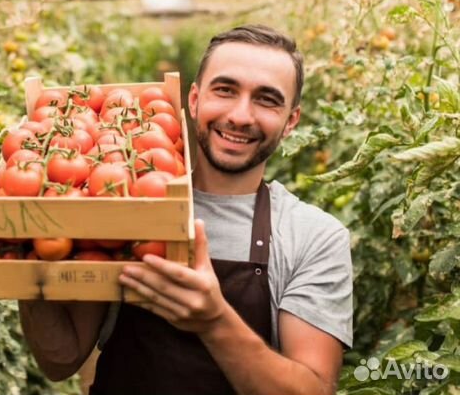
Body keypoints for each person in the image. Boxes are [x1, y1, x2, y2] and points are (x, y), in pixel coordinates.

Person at [19, 24, 353, 395]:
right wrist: (26, 250)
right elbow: (60, 359)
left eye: (267, 100)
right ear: (193, 100)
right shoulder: (125, 203)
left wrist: (214, 320)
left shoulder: (314, 237)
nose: (241, 116)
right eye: (225, 90)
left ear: (291, 121)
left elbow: (315, 390)